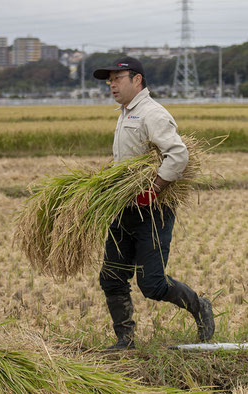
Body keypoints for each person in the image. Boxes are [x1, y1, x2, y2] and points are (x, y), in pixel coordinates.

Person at [93, 57, 215, 350]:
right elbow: (126, 162)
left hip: (154, 211)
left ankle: (199, 306)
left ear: (137, 80)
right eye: (109, 80)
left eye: (117, 78)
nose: (111, 84)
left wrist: (155, 189)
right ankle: (125, 340)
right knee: (112, 277)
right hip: (124, 208)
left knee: (152, 284)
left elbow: (178, 155)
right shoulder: (124, 114)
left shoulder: (152, 114)